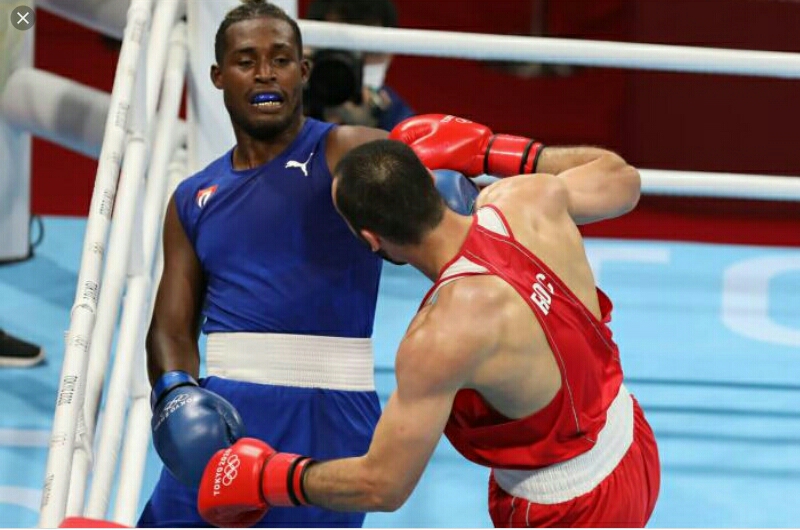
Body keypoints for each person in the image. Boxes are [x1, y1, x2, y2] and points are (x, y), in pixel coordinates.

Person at [196, 114, 661, 527]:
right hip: (632, 441)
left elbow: (382, 485)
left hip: (567, 508)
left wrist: (270, 477)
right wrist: (492, 149)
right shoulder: (523, 197)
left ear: (371, 240)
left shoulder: (439, 337)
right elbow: (622, 179)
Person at [137, 0, 391, 527]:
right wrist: (177, 394)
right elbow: (170, 327)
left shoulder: (345, 152)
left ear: (303, 71)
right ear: (218, 76)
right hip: (223, 417)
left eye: (279, 59)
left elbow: (432, 200)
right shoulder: (193, 197)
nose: (264, 73)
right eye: (246, 60)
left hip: (329, 414)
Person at [305, 0, 414, 130]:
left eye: (371, 49)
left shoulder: (403, 123)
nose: (355, 61)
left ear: (390, 54)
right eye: (341, 48)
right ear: (310, 45)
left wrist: (371, 130)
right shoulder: (288, 101)